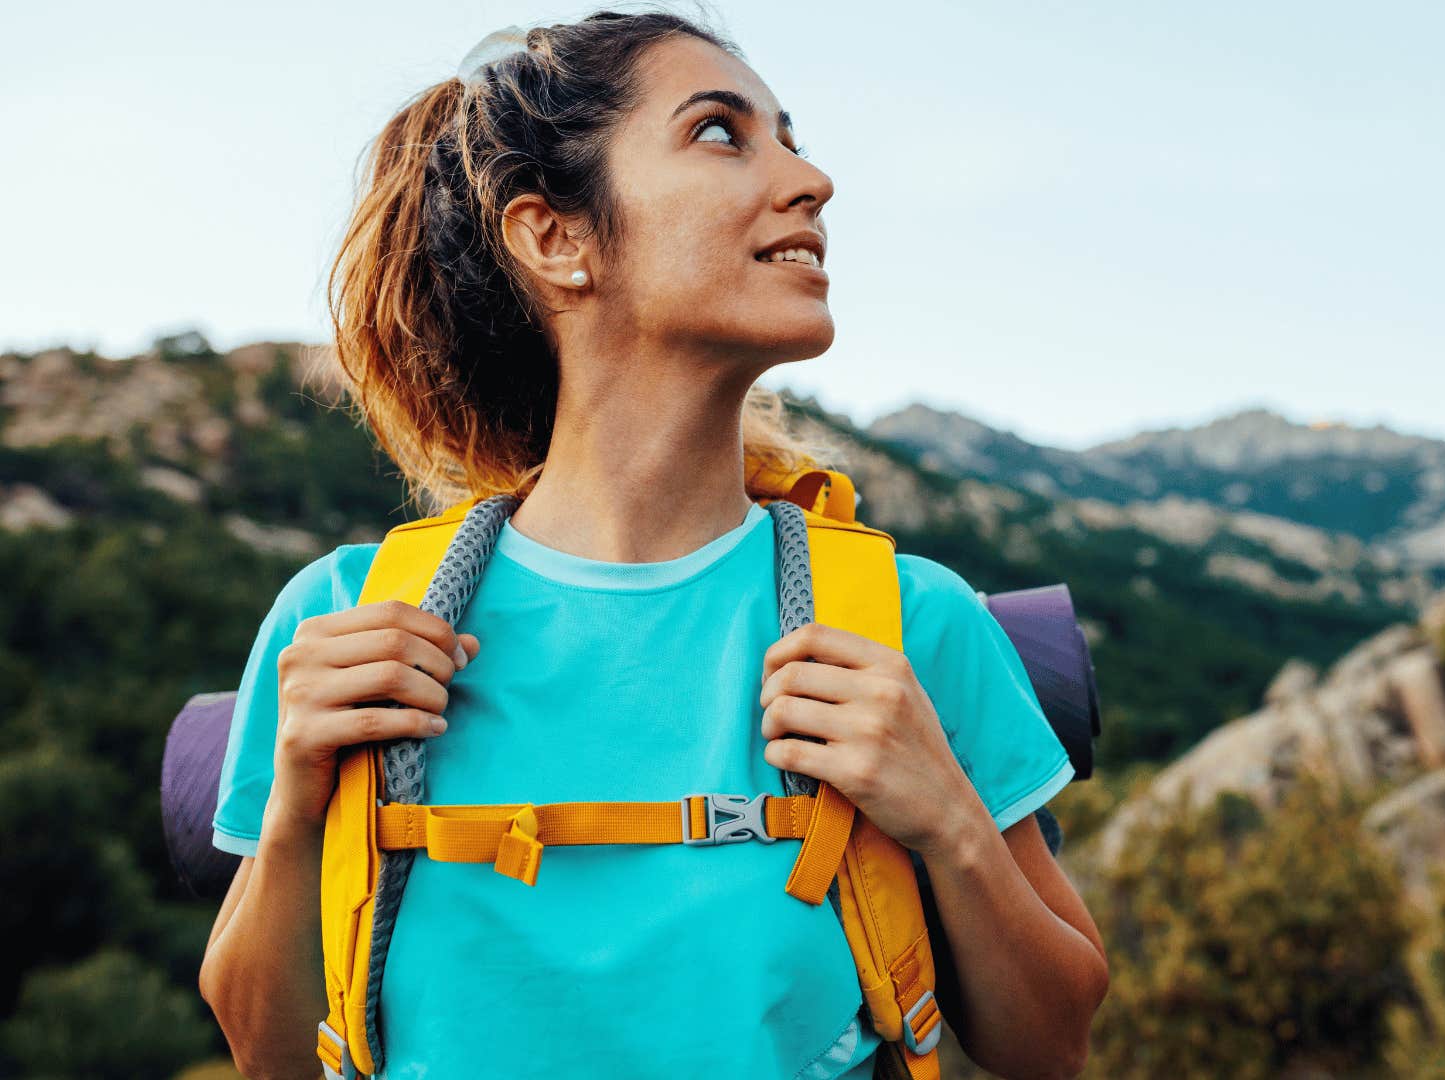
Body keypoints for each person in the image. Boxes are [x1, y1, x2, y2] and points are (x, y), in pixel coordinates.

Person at [194, 9, 1108, 1078]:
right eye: (723, 133)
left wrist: (949, 821)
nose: (811, 179)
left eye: (790, 136)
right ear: (556, 238)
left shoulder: (911, 623)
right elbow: (271, 1058)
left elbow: (1049, 1048)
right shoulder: (342, 621)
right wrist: (299, 799)